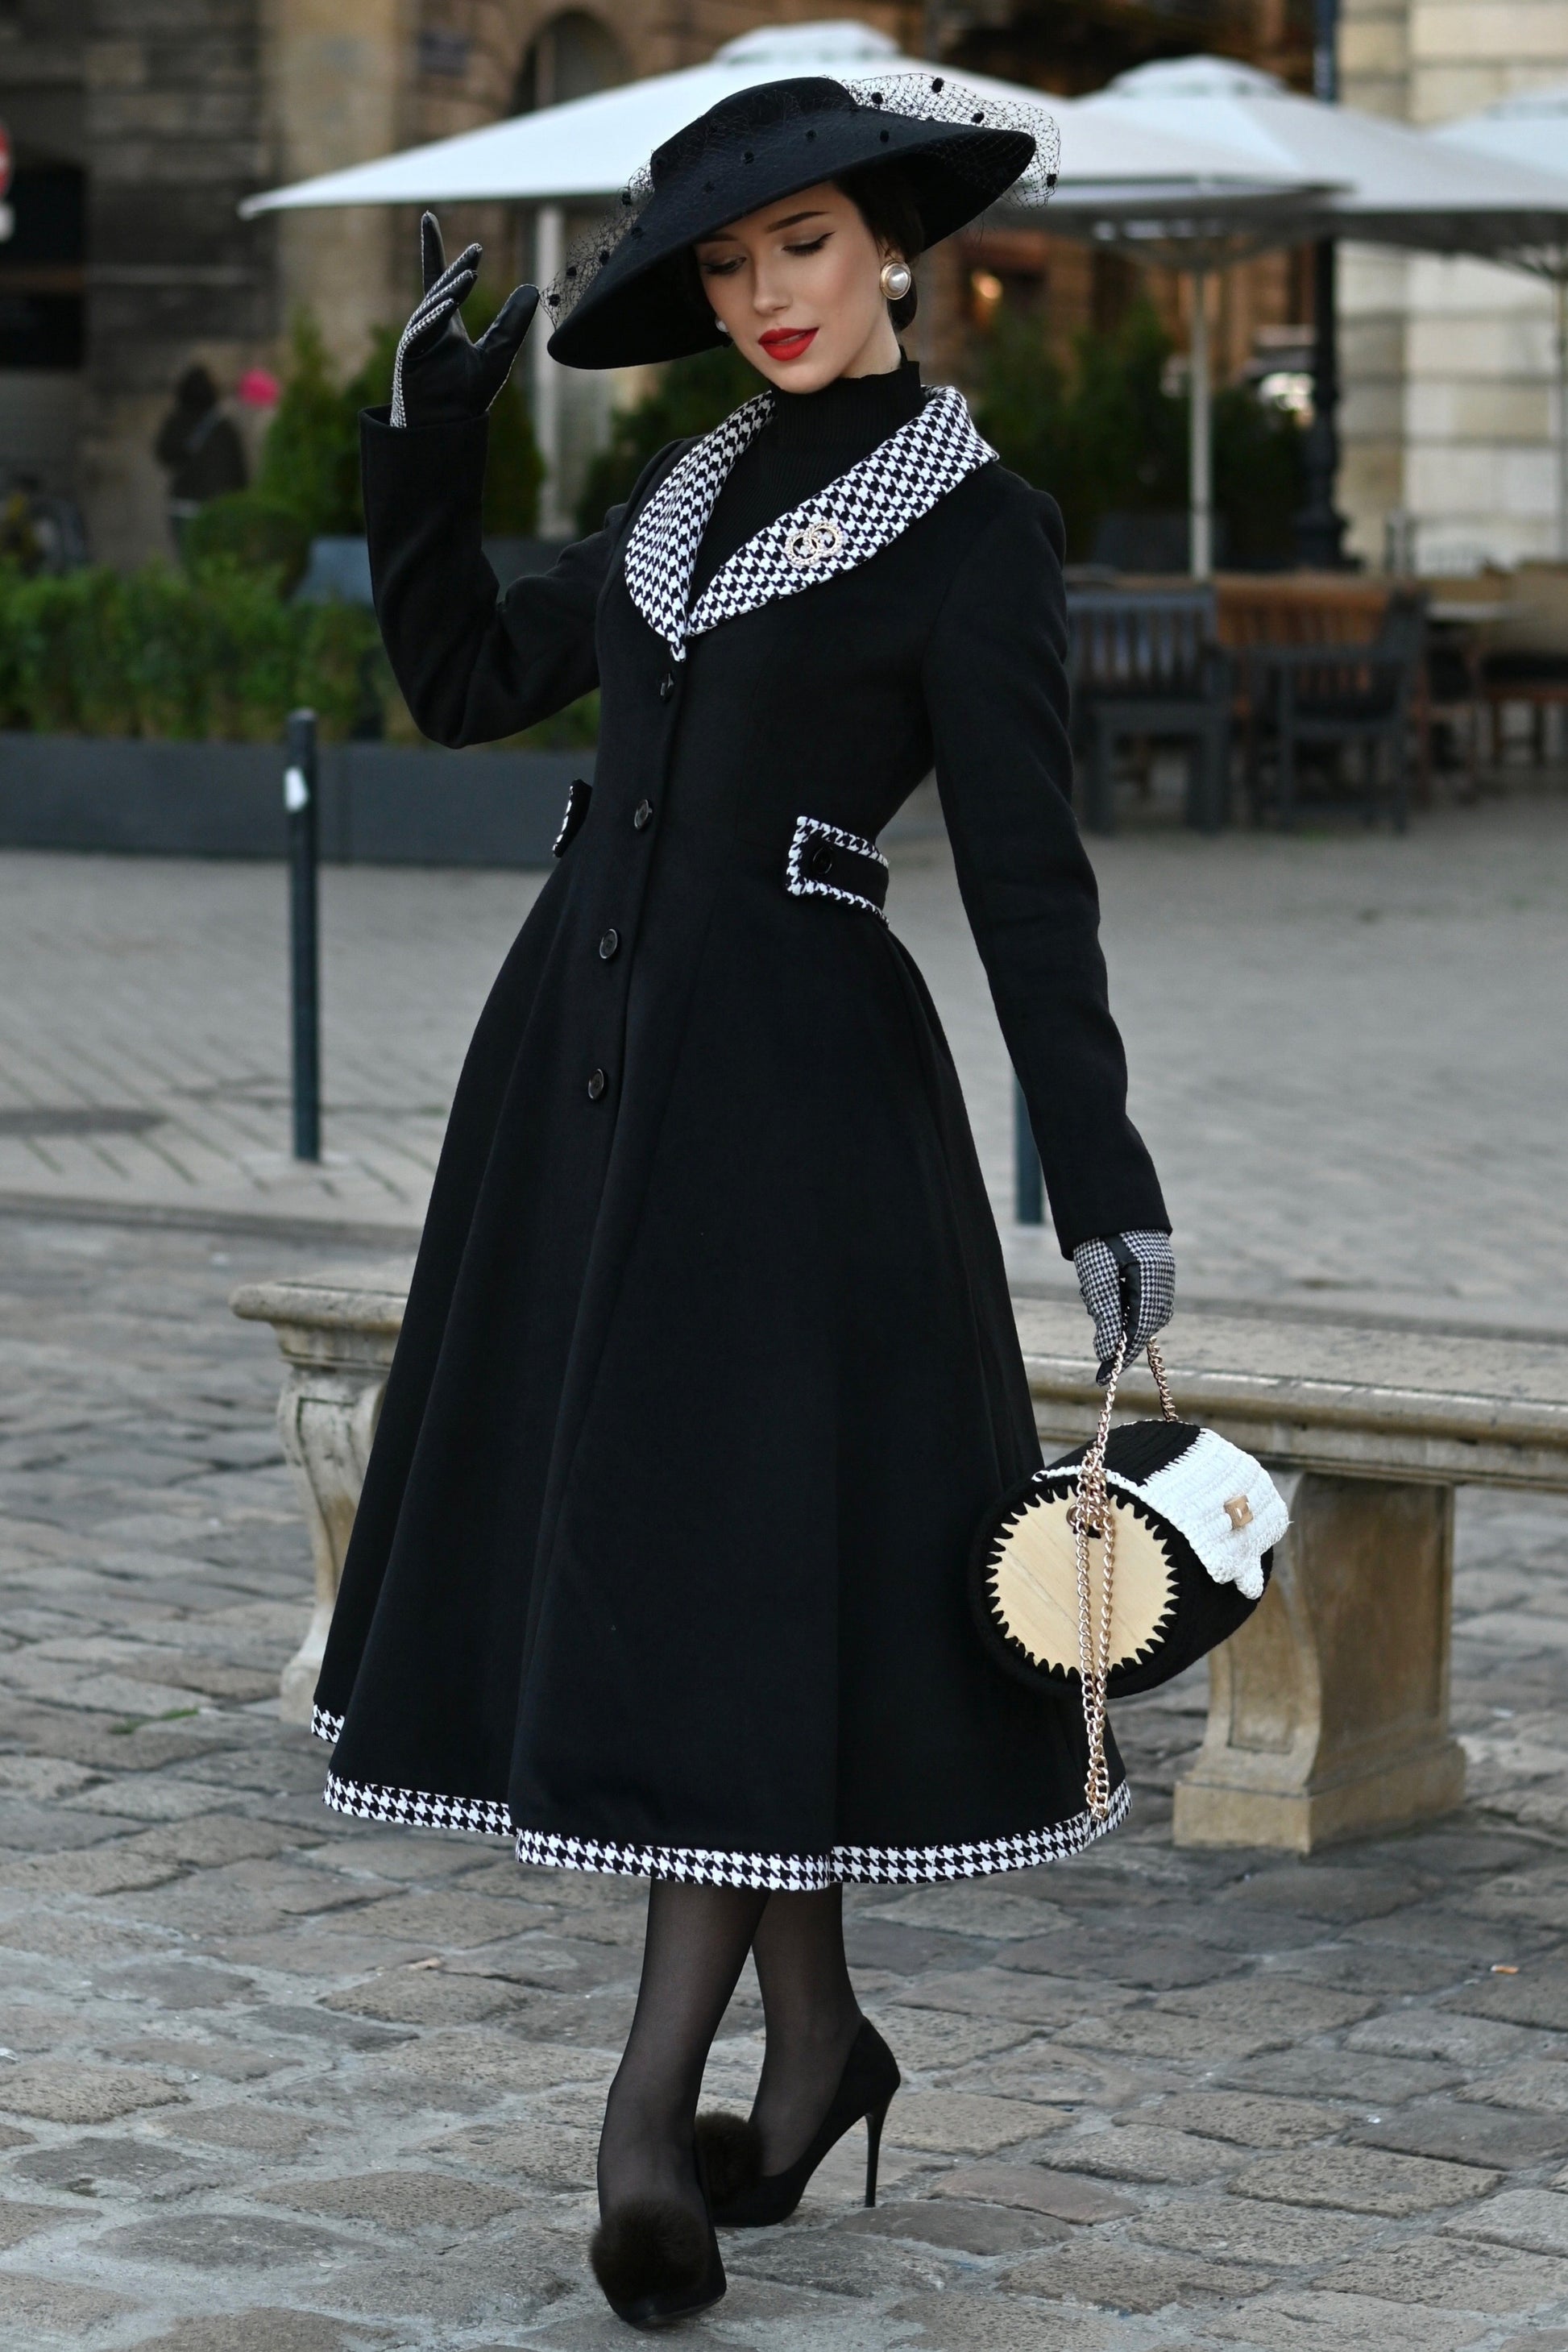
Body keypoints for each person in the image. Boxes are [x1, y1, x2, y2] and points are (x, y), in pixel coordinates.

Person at [313, 68, 1174, 2330]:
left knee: (711, 1585)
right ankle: (814, 2048)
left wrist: (1098, 1170)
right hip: (578, 1094)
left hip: (790, 1125)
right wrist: (422, 442)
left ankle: (646, 2106)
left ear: (886, 237)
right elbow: (463, 675)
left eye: (797, 246)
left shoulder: (978, 526)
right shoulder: (684, 495)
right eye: (721, 265)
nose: (764, 295)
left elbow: (1027, 885)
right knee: (725, 1587)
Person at [153, 363, 247, 550]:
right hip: (218, 507)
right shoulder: (224, 428)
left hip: (184, 505)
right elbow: (239, 473)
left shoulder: (176, 423)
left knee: (190, 561)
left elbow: (165, 454)